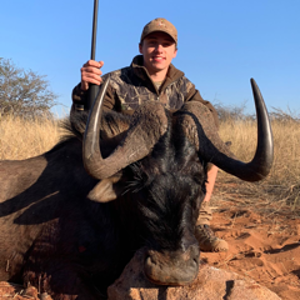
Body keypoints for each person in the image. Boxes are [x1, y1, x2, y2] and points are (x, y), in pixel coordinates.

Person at [71, 17, 228, 252]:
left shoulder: (185, 87)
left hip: (170, 163)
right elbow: (86, 125)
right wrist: (83, 93)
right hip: (133, 164)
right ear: (140, 48)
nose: (159, 49)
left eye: (166, 45)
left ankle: (200, 220)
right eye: (152, 42)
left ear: (174, 52)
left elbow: (208, 117)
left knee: (209, 154)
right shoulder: (112, 82)